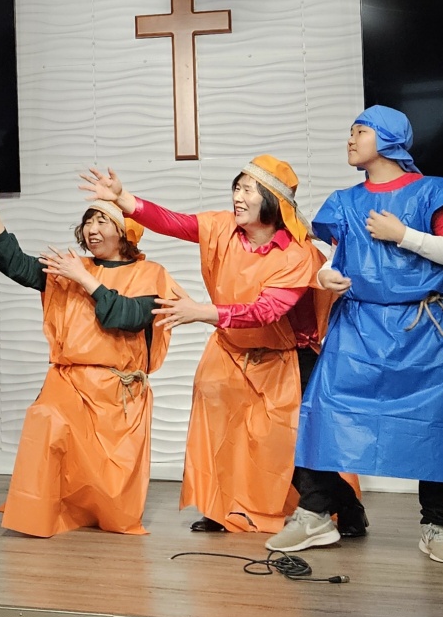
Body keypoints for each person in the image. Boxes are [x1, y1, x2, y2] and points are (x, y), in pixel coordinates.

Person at [268, 106, 443, 564]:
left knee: (432, 423)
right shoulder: (345, 202)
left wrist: (403, 234)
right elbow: (338, 259)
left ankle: (436, 524)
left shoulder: (433, 192)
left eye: (360, 131)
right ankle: (314, 514)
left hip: (422, 329)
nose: (350, 139)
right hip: (358, 325)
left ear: (389, 138)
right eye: (350, 131)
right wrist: (325, 276)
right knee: (326, 412)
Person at [82, 156, 339, 535]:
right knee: (218, 429)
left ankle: (343, 508)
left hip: (284, 355)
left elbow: (266, 311)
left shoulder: (297, 253)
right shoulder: (222, 227)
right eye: (237, 188)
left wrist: (202, 312)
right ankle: (221, 510)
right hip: (229, 348)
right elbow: (175, 222)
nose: (238, 196)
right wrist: (124, 199)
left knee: (283, 441)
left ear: (272, 200)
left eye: (248, 190)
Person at [0, 179, 177, 536]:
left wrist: (85, 279)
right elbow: (19, 266)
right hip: (69, 382)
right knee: (44, 418)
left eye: (102, 221)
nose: (92, 229)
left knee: (112, 498)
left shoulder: (151, 274)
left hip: (117, 390)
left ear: (126, 233)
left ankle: (97, 510)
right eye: (88, 221)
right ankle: (38, 513)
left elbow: (126, 316)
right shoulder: (72, 267)